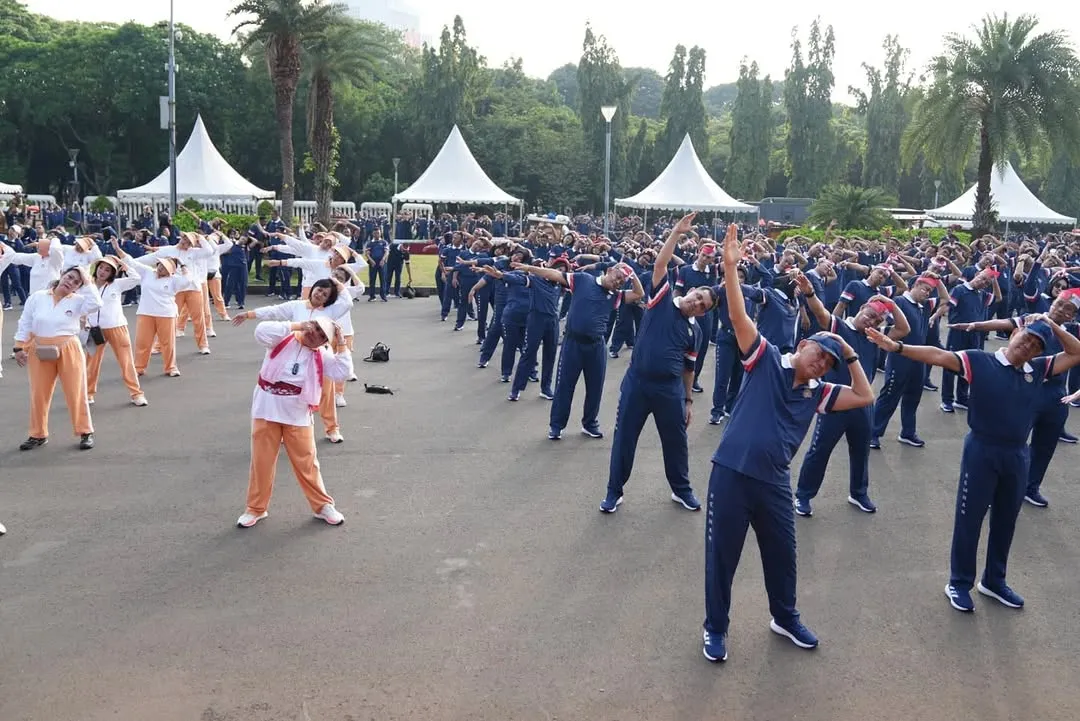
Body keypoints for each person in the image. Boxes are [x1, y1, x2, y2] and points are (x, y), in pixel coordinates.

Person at [701, 223, 875, 663]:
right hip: (732, 472)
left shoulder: (818, 393)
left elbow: (865, 395)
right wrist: (730, 267)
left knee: (783, 553)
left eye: (828, 362)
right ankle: (715, 628)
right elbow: (739, 316)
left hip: (774, 481)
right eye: (818, 353)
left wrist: (849, 354)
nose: (821, 363)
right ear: (801, 346)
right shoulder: (764, 360)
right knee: (723, 557)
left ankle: (784, 616)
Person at [866, 316, 1080, 613]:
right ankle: (959, 582)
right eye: (1027, 338)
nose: (1028, 346)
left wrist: (1050, 324)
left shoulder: (1039, 369)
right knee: (970, 519)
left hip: (1017, 455)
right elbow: (938, 355)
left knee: (1006, 520)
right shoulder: (981, 361)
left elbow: (1076, 352)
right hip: (982, 450)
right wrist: (897, 347)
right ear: (1015, 333)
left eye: (1037, 345)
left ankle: (994, 581)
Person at [601, 212, 710, 513]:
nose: (697, 303)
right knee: (625, 439)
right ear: (689, 290)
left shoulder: (695, 330)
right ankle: (614, 491)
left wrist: (688, 400)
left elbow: (689, 368)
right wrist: (676, 232)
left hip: (670, 390)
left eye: (703, 305)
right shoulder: (662, 298)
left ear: (703, 312)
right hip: (638, 383)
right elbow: (661, 264)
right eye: (697, 296)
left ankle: (682, 490)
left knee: (676, 442)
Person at [953, 289, 1080, 508]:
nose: (1059, 310)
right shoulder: (1033, 320)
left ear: (1072, 316)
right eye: (1058, 304)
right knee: (1012, 443)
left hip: (1056, 396)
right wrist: (976, 325)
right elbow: (1006, 323)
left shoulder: (1072, 330)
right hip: (1028, 391)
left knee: (1045, 446)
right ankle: (997, 488)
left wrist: (1053, 325)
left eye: (1066, 309)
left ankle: (1031, 488)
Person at [795, 292, 910, 516]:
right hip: (836, 401)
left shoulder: (874, 336)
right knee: (820, 450)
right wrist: (809, 292)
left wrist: (892, 304)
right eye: (870, 315)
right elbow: (819, 311)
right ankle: (803, 495)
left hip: (862, 403)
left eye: (877, 320)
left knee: (860, 451)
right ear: (861, 308)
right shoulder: (839, 327)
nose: (872, 321)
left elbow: (904, 329)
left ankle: (858, 493)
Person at [238, 317, 353, 528]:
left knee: (307, 462)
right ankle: (255, 508)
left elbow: (342, 372)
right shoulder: (282, 338)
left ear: (324, 342)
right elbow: (261, 331)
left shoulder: (321, 355)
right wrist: (297, 326)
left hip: (297, 413)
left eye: (322, 335)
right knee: (261, 461)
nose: (315, 334)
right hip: (266, 408)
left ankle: (322, 506)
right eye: (315, 328)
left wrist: (342, 342)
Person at [233, 278, 354, 443]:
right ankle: (284, 426)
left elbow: (347, 302)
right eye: (319, 290)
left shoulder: (331, 311)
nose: (320, 294)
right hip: (291, 354)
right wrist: (249, 315)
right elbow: (273, 311)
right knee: (289, 393)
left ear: (328, 300)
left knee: (326, 394)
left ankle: (332, 429)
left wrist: (335, 282)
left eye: (325, 294)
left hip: (319, 358)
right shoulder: (297, 305)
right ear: (313, 289)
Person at [12, 266, 104, 451]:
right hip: (40, 348)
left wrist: (87, 282)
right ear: (62, 275)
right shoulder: (38, 297)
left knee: (75, 391)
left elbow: (96, 304)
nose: (70, 282)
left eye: (76, 282)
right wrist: (18, 347)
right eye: (69, 277)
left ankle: (85, 431)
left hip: (68, 347)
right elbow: (25, 322)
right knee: (39, 393)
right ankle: (37, 434)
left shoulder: (79, 300)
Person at [85, 253, 147, 407]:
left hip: (116, 327)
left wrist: (121, 262)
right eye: (101, 268)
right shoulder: (87, 285)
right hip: (94, 329)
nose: (102, 272)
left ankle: (136, 394)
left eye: (107, 270)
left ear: (112, 273)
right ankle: (88, 393)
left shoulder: (117, 284)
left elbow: (137, 278)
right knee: (91, 363)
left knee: (126, 362)